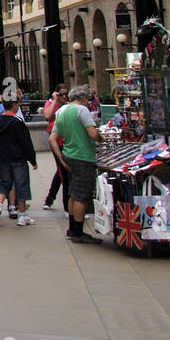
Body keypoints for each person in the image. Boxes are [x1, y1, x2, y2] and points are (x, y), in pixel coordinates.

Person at [51, 86, 103, 244]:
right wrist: (102, 137)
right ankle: (78, 232)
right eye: (89, 100)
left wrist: (60, 158)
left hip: (68, 155)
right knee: (82, 195)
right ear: (84, 98)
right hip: (83, 156)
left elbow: (52, 138)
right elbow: (93, 134)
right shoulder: (82, 111)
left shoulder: (61, 111)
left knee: (73, 193)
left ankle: (72, 228)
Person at [0, 94, 37, 227]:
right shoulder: (17, 122)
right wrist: (32, 159)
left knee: (4, 183)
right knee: (21, 185)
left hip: (3, 159)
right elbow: (25, 143)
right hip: (18, 158)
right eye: (18, 104)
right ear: (14, 105)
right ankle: (22, 216)